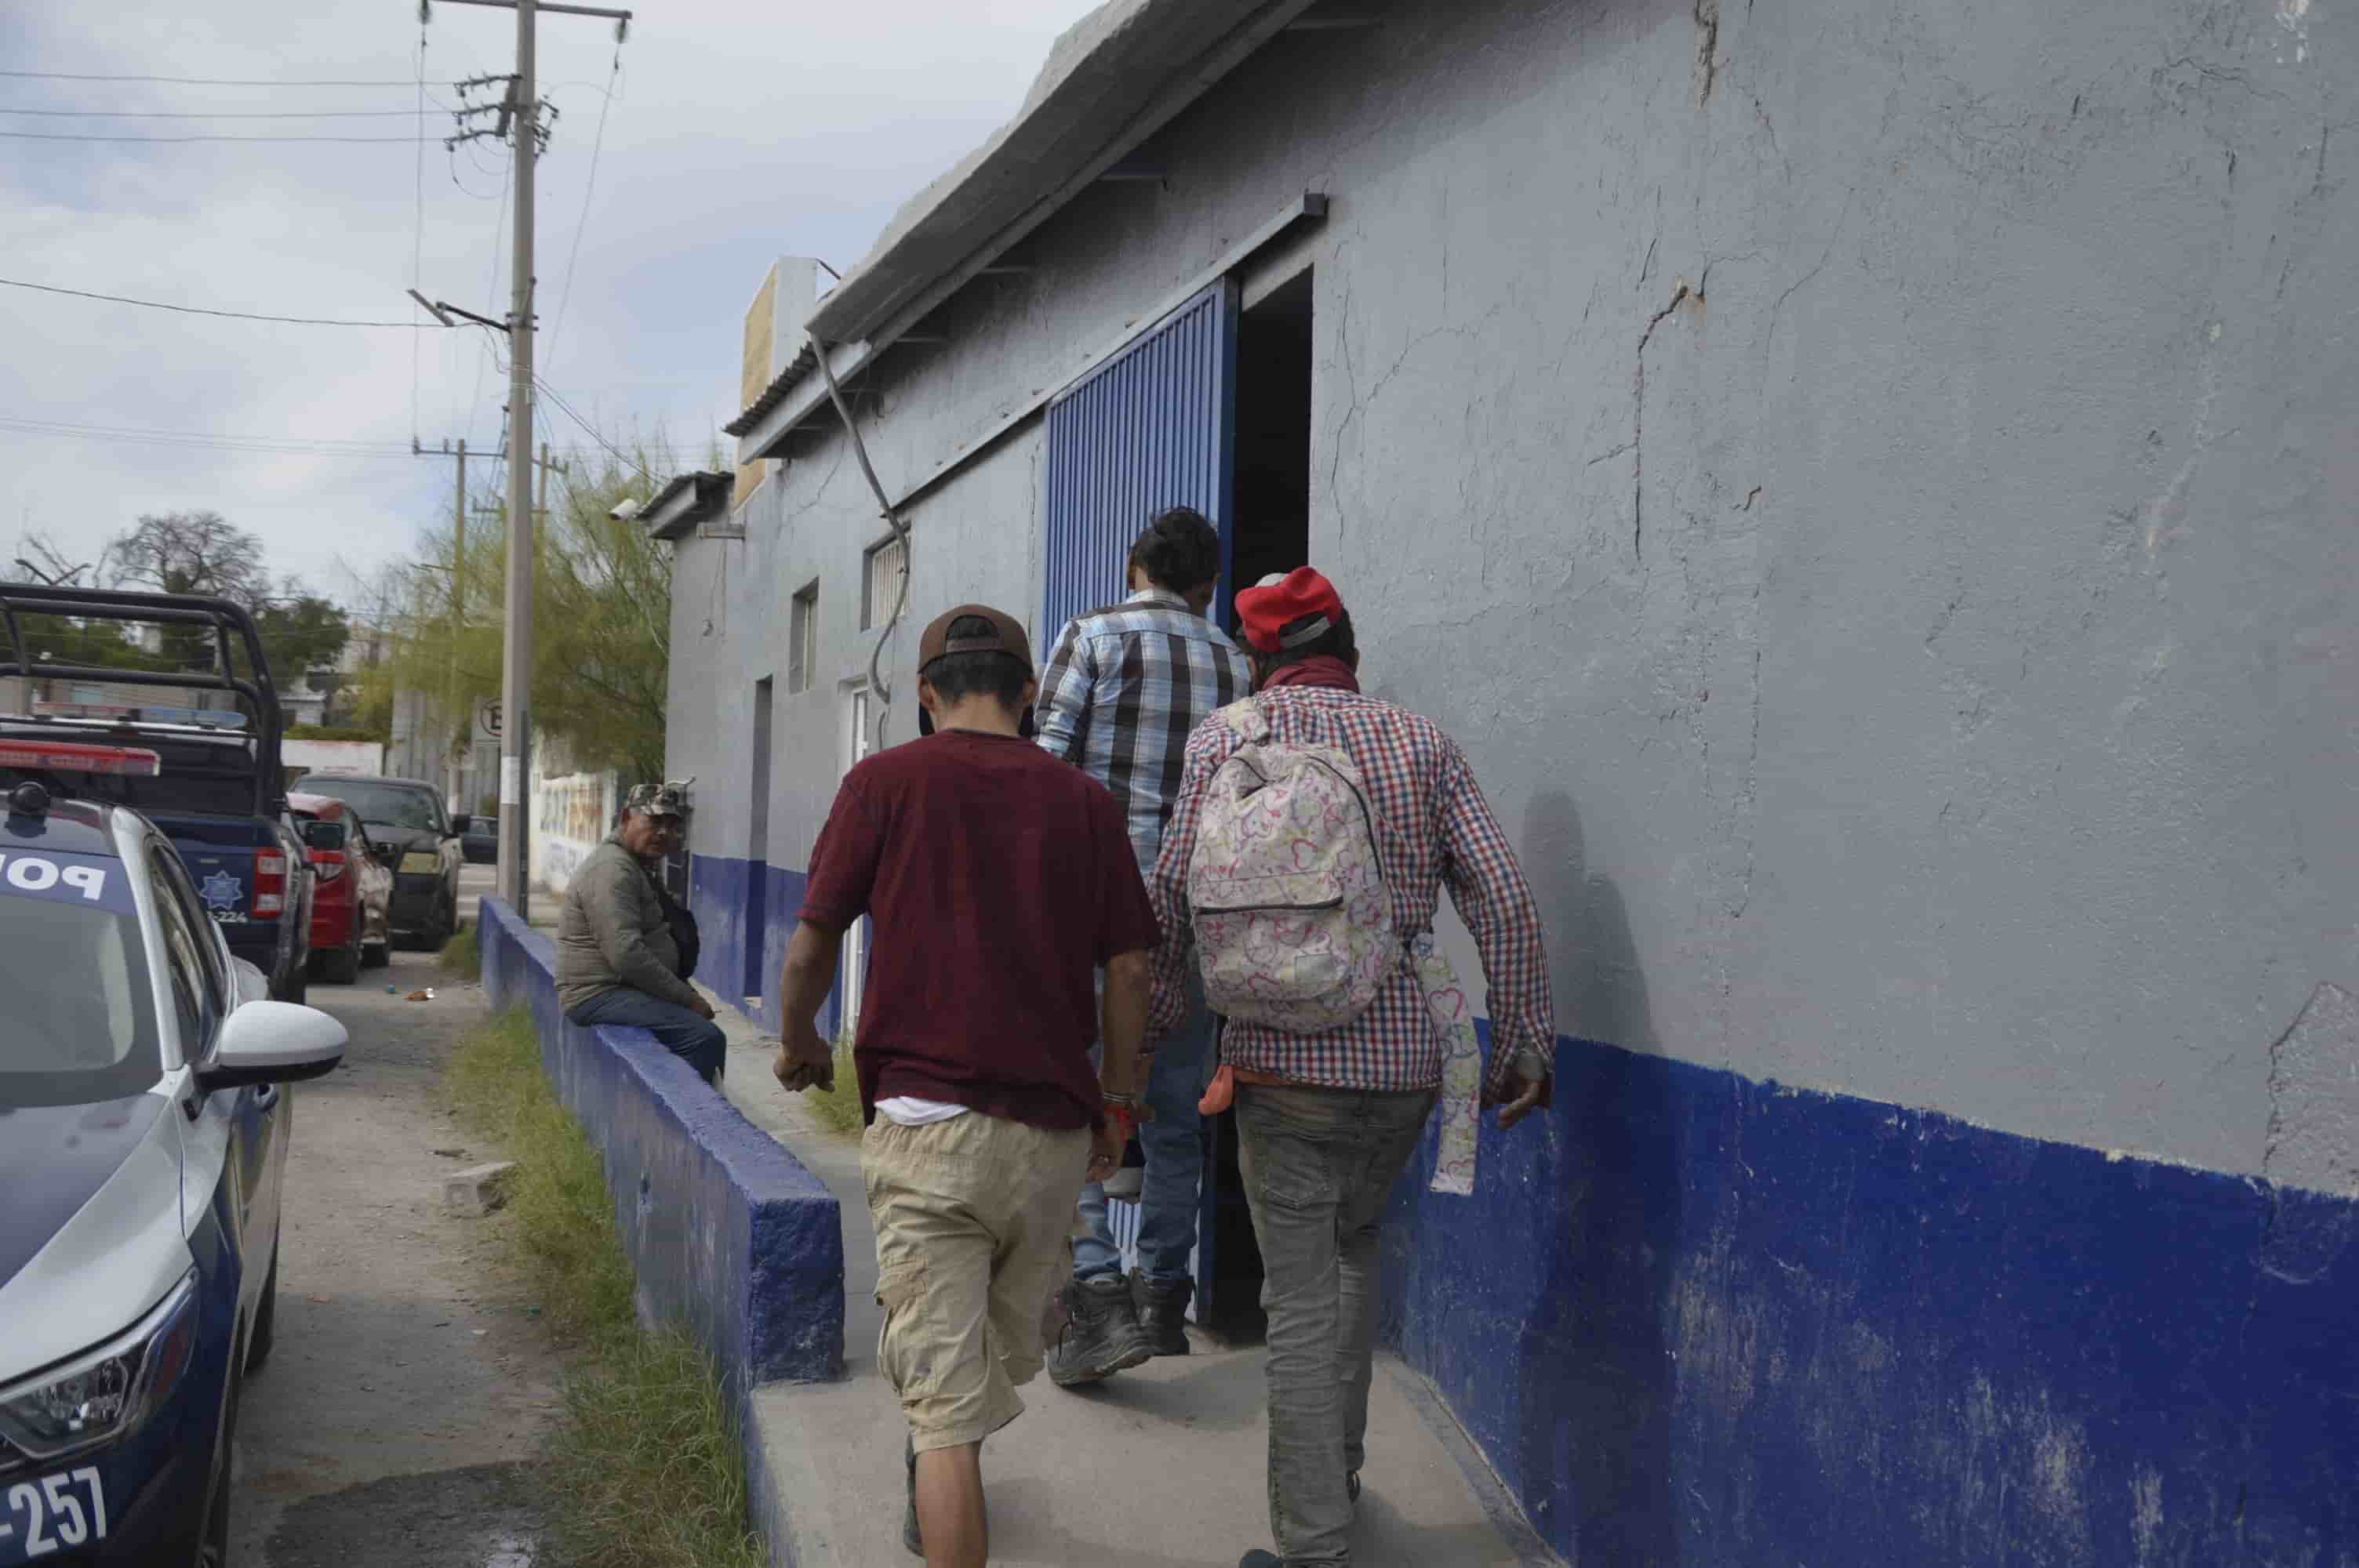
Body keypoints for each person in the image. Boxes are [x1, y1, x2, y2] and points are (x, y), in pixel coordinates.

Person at [1147, 568, 1557, 1568]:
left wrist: (1156, 1027)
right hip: (1402, 1065)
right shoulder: (1420, 742)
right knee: (1352, 1253)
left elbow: (1169, 890)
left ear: (1256, 657)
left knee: (1296, 1304)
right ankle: (1334, 1479)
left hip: (1280, 1068)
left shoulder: (1225, 741)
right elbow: (1500, 895)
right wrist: (1521, 1042)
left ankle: (1311, 1547)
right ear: (1352, 649)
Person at [769, 604, 1160, 1568]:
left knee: (943, 1408)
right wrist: (1117, 1104)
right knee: (974, 1369)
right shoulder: (1083, 802)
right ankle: (937, 1491)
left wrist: (800, 1043)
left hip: (926, 1128)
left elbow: (814, 937)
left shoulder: (883, 782)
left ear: (924, 693)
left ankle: (934, 1492)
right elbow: (1132, 971)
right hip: (1047, 1141)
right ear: (1028, 694)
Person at [1033, 505, 1254, 1381]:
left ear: (1134, 567)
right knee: (1174, 1107)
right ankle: (1163, 1287)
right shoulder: (1238, 661)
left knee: (1072, 1092)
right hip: (1197, 910)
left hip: (1094, 906)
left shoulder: (1089, 637)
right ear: (1207, 585)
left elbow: (1047, 771)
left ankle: (1094, 1293)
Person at [555, 782, 724, 1081]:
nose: (663, 833)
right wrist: (686, 998)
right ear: (625, 819)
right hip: (599, 995)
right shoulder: (612, 870)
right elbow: (626, 954)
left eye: (671, 825)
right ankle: (681, 1123)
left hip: (622, 989)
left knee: (704, 1031)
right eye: (654, 821)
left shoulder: (635, 865)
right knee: (703, 1038)